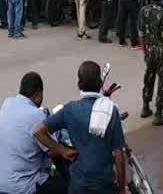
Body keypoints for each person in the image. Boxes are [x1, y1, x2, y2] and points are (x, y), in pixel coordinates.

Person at [34, 61, 127, 194]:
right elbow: (119, 154)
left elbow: (38, 132)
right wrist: (122, 188)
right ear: (100, 83)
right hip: (104, 185)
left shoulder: (70, 110)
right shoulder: (110, 111)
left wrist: (62, 151)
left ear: (79, 84)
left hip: (78, 185)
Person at [0, 72, 66, 194]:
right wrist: (64, 150)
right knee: (69, 187)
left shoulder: (7, 104)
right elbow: (53, 150)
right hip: (22, 187)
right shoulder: (36, 115)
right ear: (38, 95)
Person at [139, 0, 163, 125]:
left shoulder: (143, 11)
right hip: (161, 52)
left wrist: (145, 51)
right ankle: (158, 113)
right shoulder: (162, 12)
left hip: (149, 51)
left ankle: (145, 106)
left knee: (149, 77)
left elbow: (141, 34)